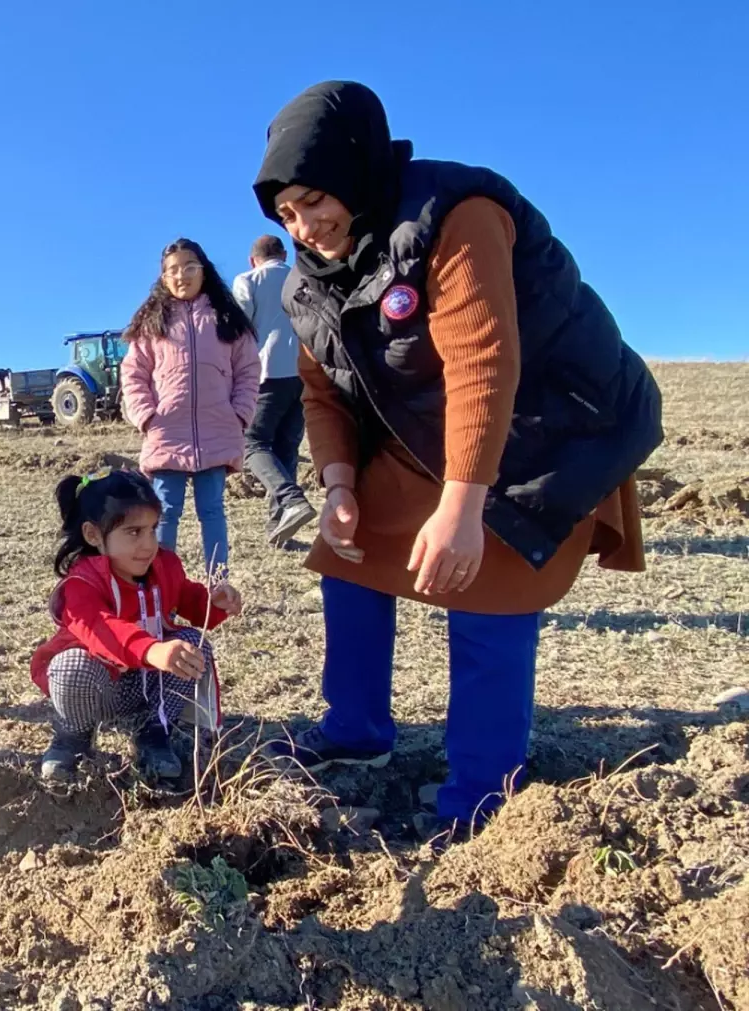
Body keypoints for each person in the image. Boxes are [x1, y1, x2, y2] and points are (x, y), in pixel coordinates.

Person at [251, 81, 662, 841]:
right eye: (287, 215)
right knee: (347, 550)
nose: (305, 227)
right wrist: (339, 482)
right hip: (428, 436)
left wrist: (463, 508)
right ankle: (357, 728)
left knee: (487, 580)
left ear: (356, 167)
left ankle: (481, 794)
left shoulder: (456, 215)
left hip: (550, 427)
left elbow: (485, 364)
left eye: (315, 200)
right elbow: (323, 394)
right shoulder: (307, 285)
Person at [30, 469, 243, 784]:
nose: (148, 545)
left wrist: (215, 603)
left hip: (149, 688)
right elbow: (102, 628)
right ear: (93, 536)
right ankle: (73, 737)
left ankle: (154, 732)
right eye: (133, 532)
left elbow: (188, 599)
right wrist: (152, 649)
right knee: (69, 664)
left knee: (193, 643)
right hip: (99, 689)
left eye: (152, 529)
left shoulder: (165, 566)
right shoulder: (81, 583)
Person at [120, 239, 260, 572]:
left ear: (204, 270)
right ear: (163, 278)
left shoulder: (227, 319)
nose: (181, 275)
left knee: (212, 510)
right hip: (167, 431)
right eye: (172, 270)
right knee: (165, 511)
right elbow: (133, 373)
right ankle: (161, 584)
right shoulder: (153, 323)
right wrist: (147, 416)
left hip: (217, 430)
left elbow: (248, 370)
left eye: (189, 267)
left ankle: (217, 583)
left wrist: (239, 413)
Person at [233, 235, 317, 547]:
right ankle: (279, 531)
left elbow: (240, 328)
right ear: (283, 254)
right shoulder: (304, 277)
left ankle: (291, 499)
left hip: (267, 371)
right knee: (286, 449)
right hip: (306, 372)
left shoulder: (248, 280)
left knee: (251, 443)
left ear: (252, 259)